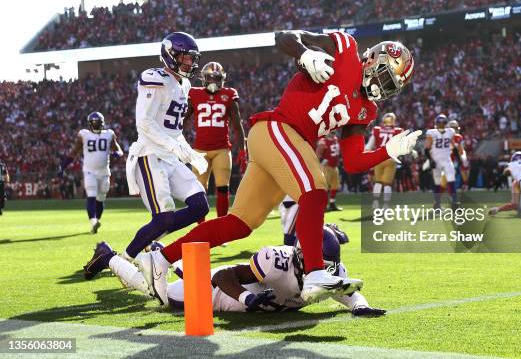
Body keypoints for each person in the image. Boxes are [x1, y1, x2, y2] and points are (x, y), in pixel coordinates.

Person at [135, 31, 420, 306]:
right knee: (315, 191)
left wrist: (388, 151)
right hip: (278, 129)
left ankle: (161, 258)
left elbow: (353, 161)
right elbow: (284, 35)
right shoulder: (345, 49)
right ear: (372, 60)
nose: (383, 88)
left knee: (239, 224)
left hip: (282, 144)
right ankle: (314, 271)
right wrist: (304, 53)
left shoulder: (366, 110)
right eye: (385, 77)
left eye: (392, 86)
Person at [83, 32, 210, 288]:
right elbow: (144, 123)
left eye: (192, 59)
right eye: (185, 58)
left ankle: (151, 246)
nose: (190, 64)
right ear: (171, 56)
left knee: (200, 207)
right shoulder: (154, 79)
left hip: (169, 156)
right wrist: (177, 148)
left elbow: (175, 130)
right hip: (149, 155)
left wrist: (190, 152)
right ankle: (121, 260)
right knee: (163, 218)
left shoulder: (184, 85)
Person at [83, 226, 385, 316]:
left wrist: (361, 306)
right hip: (219, 293)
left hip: (233, 287)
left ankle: (169, 260)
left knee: (186, 272)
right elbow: (223, 278)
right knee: (159, 296)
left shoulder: (330, 270)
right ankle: (109, 257)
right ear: (300, 255)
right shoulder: (276, 260)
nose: (323, 270)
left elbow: (346, 291)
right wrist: (247, 300)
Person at [186, 62, 246, 217]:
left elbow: (237, 124)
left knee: (223, 187)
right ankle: (200, 226)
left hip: (221, 149)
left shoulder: (229, 94)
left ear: (222, 78)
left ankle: (221, 227)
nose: (213, 81)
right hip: (200, 151)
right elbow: (183, 120)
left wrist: (242, 149)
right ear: (204, 78)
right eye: (210, 78)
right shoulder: (194, 94)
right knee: (198, 190)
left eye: (216, 78)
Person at [59, 112, 123, 233]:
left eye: (97, 123)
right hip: (90, 171)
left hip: (104, 172)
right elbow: (73, 152)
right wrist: (63, 166)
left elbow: (118, 149)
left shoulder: (109, 134)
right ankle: (93, 221)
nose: (95, 125)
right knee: (92, 195)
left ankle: (96, 221)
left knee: (101, 198)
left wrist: (118, 154)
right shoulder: (84, 135)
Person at [423, 114, 465, 208]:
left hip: (447, 159)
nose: (441, 125)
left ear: (446, 123)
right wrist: (430, 160)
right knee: (437, 182)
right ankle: (437, 204)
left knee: (451, 179)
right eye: (439, 123)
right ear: (436, 124)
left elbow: (453, 147)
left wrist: (459, 159)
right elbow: (426, 148)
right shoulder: (432, 133)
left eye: (443, 123)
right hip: (436, 160)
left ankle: (454, 202)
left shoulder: (450, 132)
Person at [366, 112, 403, 209]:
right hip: (390, 158)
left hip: (379, 158)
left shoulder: (377, 130)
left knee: (378, 182)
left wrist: (364, 155)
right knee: (387, 184)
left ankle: (375, 203)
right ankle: (385, 205)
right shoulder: (397, 131)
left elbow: (369, 146)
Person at [316, 132, 342, 211]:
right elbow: (318, 154)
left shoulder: (335, 139)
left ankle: (332, 203)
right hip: (326, 167)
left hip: (335, 167)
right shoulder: (323, 141)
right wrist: (321, 161)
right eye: (331, 132)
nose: (333, 134)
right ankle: (323, 205)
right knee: (324, 187)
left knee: (335, 186)